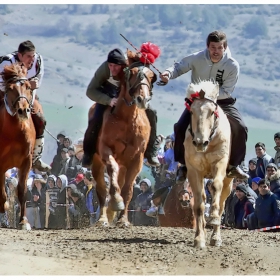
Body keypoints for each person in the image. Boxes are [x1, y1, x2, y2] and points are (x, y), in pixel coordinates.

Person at [159, 30, 249, 182]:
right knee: (180, 127)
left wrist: (209, 95)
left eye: (220, 47)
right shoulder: (197, 57)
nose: (216, 51)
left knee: (241, 127)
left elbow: (227, 90)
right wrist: (168, 74)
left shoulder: (232, 65)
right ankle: (183, 165)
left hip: (222, 102)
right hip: (197, 103)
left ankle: (234, 165)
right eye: (213, 47)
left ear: (225, 47)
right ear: (208, 46)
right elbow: (179, 66)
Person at [82, 45, 161, 169]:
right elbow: (90, 91)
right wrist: (108, 100)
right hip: (108, 93)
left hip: (128, 94)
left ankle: (151, 151)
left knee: (152, 113)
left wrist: (146, 61)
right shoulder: (104, 69)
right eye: (110, 65)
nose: (112, 69)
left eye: (116, 66)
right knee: (95, 118)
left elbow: (145, 74)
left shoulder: (131, 66)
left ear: (123, 65)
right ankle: (88, 153)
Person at [0, 40, 51, 172]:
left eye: (33, 55)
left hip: (27, 95)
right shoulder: (6, 62)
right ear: (20, 55)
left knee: (40, 119)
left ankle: (36, 157)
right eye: (28, 56)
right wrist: (19, 86)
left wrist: (27, 91)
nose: (31, 59)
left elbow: (37, 82)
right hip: (5, 94)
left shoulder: (38, 61)